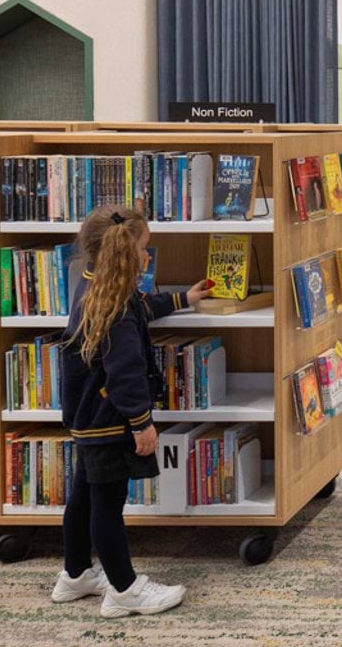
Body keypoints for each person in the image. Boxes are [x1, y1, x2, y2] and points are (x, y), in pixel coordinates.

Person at [52, 206, 214, 618]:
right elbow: (125, 374)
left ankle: (75, 575)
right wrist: (142, 424)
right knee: (108, 503)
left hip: (86, 417)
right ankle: (124, 591)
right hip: (110, 420)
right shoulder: (117, 311)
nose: (147, 256)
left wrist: (183, 298)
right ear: (127, 255)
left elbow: (144, 306)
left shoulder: (96, 288)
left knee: (84, 495)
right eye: (143, 249)